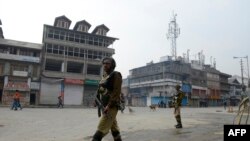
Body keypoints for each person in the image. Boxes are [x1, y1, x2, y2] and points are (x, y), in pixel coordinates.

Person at [92, 57, 123, 141]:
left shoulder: (116, 75)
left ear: (112, 64)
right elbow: (100, 89)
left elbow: (116, 92)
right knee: (114, 129)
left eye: (107, 63)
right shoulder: (104, 76)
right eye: (104, 63)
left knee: (101, 129)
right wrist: (96, 100)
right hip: (104, 106)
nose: (105, 65)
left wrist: (109, 106)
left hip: (111, 107)